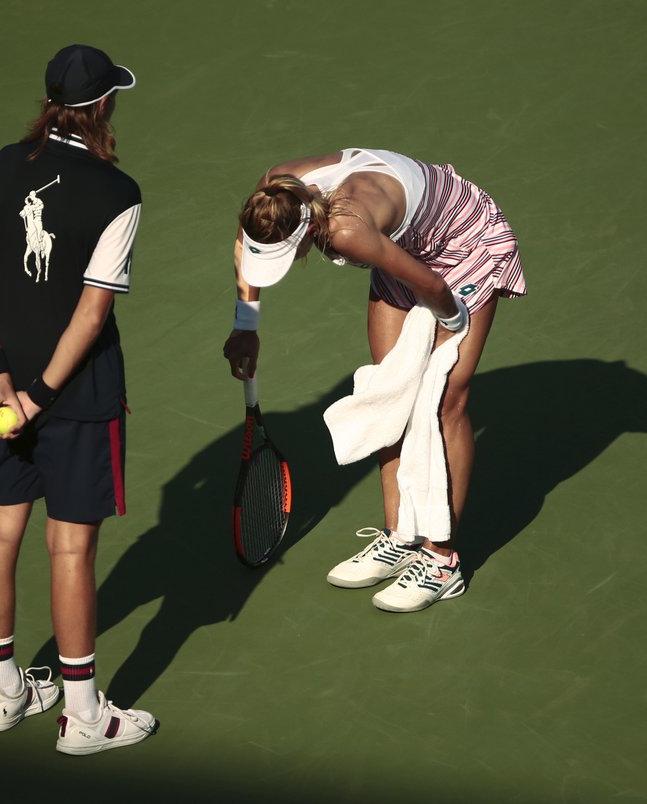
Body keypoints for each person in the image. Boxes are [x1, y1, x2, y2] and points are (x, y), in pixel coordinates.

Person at [0, 43, 157, 754]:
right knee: (69, 550)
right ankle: (82, 716)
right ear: (102, 106)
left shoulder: (1, 166)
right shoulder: (118, 194)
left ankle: (4, 693)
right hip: (76, 400)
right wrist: (38, 395)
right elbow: (91, 315)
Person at [222, 148, 526, 612]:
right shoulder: (274, 194)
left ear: (306, 233)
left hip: (463, 243)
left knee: (442, 401)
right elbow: (247, 245)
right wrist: (246, 326)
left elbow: (435, 288)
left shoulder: (347, 231)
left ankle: (443, 562)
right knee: (392, 393)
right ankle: (402, 536)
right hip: (403, 252)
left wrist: (452, 327)